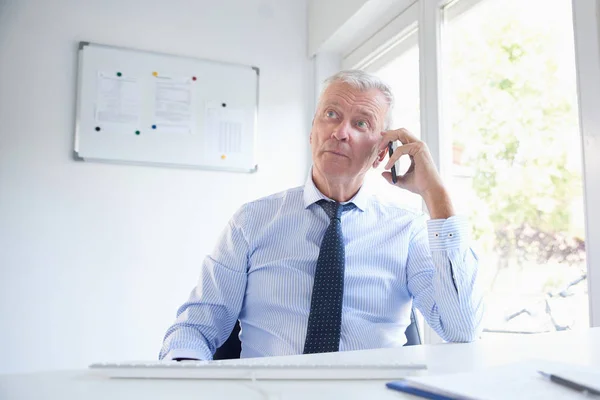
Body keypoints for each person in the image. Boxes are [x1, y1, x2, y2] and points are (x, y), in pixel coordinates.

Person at [159, 70, 484, 361]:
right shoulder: (252, 221)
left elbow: (462, 329)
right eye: (331, 115)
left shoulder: (407, 231)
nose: (340, 132)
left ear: (381, 152)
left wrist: (436, 194)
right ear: (312, 131)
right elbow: (196, 327)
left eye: (361, 123)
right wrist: (184, 378)